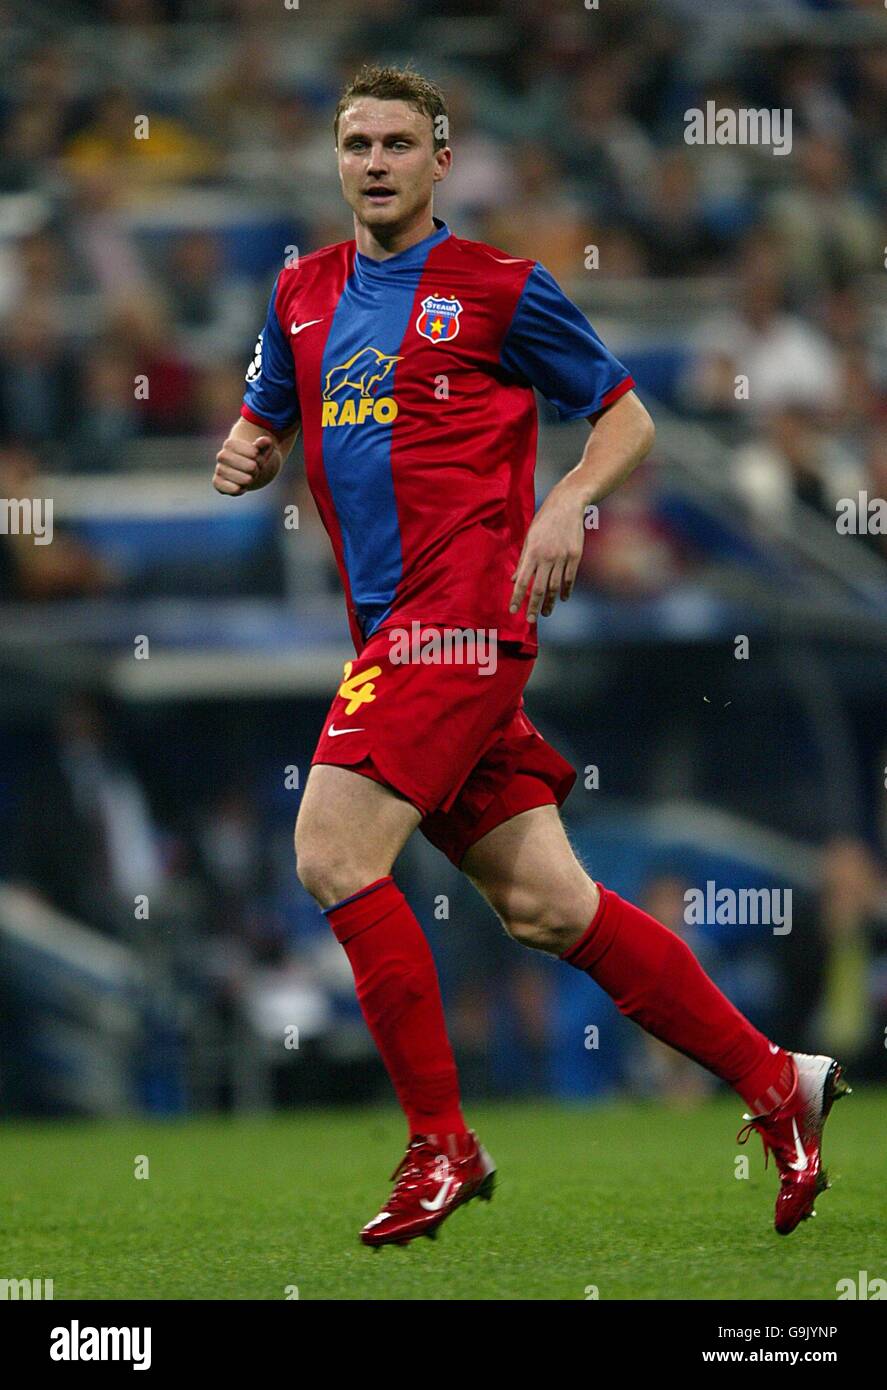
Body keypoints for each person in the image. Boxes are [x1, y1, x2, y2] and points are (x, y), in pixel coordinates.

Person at [213, 64, 849, 1247]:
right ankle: (776, 1082)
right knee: (548, 906)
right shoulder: (298, 291)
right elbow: (264, 412)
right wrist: (246, 446)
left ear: (440, 159)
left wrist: (568, 505)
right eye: (356, 142)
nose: (375, 162)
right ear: (335, 158)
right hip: (392, 633)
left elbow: (626, 413)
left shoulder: (500, 290)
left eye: (399, 142)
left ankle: (439, 1143)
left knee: (331, 850)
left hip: (456, 621)